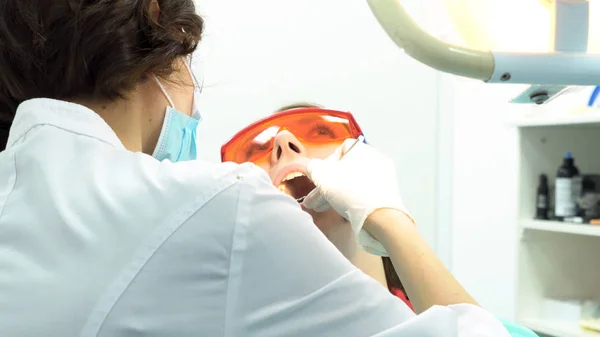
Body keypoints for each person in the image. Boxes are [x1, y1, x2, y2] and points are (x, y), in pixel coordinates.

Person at [0, 0, 512, 336]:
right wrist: (388, 215)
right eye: (261, 148)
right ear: (162, 31)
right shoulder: (215, 214)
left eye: (318, 134)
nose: (286, 144)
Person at [223, 102, 413, 309]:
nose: (283, 140)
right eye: (259, 151)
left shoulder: (436, 319)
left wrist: (386, 217)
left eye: (321, 133)